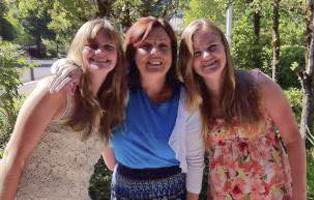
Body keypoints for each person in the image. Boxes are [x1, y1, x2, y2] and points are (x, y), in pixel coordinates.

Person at [48, 16, 204, 200]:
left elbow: (195, 160)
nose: (155, 52)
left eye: (163, 46)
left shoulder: (186, 99)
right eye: (145, 46)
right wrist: (67, 66)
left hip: (172, 194)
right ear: (132, 53)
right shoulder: (116, 88)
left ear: (172, 53)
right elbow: (80, 67)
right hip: (123, 191)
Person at [178, 19, 307, 200]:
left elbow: (293, 140)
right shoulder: (194, 102)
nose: (206, 56)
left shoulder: (259, 85)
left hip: (272, 194)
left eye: (212, 47)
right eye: (197, 53)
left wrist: (300, 195)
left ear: (224, 47)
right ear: (188, 61)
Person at [0, 18, 127, 200]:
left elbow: (112, 162)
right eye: (92, 45)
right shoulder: (56, 91)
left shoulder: (105, 106)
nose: (100, 52)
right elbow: (13, 157)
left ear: (117, 56)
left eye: (108, 47)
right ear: (79, 48)